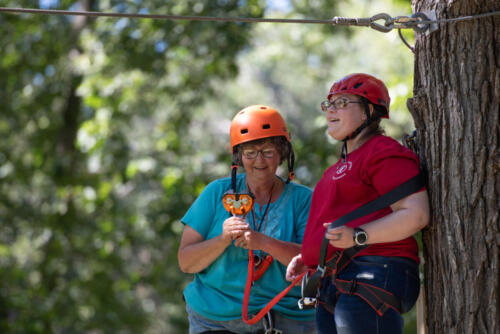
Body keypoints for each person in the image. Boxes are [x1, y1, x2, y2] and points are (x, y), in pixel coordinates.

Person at [286, 73, 430, 334]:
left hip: (375, 272)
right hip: (334, 279)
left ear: (368, 112)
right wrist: (309, 257)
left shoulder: (383, 151)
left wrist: (359, 237)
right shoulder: (337, 168)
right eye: (328, 104)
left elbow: (416, 214)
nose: (331, 109)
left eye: (342, 102)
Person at [178, 105, 317, 334]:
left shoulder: (302, 200)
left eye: (268, 151)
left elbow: (311, 263)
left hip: (286, 317)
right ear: (239, 157)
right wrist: (222, 239)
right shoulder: (216, 193)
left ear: (282, 153)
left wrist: (263, 242)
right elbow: (186, 262)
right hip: (216, 319)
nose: (259, 160)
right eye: (250, 152)